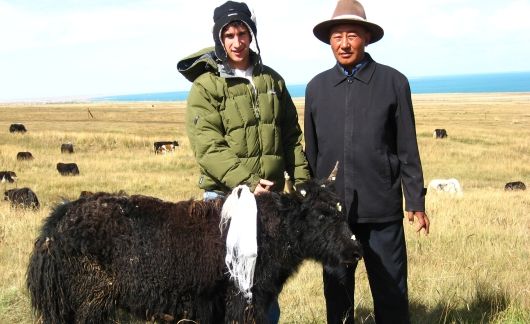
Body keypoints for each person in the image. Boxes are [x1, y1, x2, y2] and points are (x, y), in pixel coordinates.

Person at [177, 1, 311, 322]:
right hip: (224, 202)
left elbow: (291, 136)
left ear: (252, 35)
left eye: (243, 33)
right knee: (222, 289)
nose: (237, 42)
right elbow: (208, 148)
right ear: (219, 39)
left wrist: (304, 185)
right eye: (229, 35)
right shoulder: (206, 87)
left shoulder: (271, 81)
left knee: (265, 285)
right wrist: (250, 184)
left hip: (269, 205)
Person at [304, 0, 430, 323]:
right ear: (329, 41)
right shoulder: (316, 89)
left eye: (352, 35)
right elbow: (312, 154)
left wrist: (415, 199)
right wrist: (312, 205)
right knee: (337, 296)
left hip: (382, 212)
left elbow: (406, 147)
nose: (344, 43)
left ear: (367, 38)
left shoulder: (393, 83)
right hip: (334, 216)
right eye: (337, 36)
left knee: (391, 295)